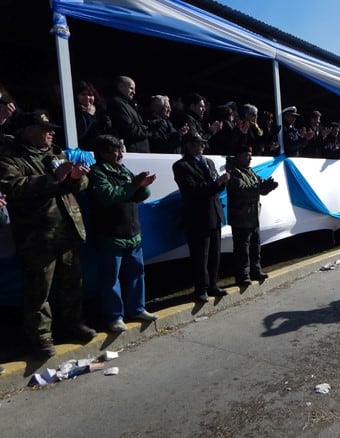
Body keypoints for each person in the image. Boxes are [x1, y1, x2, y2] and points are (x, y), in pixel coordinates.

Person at [0, 110, 97, 357]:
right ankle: (41, 337)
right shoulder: (11, 158)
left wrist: (76, 177)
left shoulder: (57, 154)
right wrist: (54, 177)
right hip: (37, 236)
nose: (51, 132)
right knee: (38, 290)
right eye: (45, 129)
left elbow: (81, 185)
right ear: (27, 131)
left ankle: (75, 324)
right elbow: (13, 187)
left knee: (72, 283)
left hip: (67, 230)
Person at [88, 135, 158, 332]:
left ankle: (137, 308)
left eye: (120, 149)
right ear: (103, 153)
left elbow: (140, 195)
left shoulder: (123, 170)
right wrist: (134, 185)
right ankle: (115, 317)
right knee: (111, 279)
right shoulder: (97, 172)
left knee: (137, 272)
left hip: (132, 232)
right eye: (115, 150)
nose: (120, 154)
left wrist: (143, 186)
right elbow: (108, 196)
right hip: (111, 234)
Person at [172, 132, 230, 302]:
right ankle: (201, 288)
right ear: (188, 146)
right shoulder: (181, 166)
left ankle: (213, 284)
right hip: (197, 215)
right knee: (200, 255)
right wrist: (216, 183)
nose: (202, 147)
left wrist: (222, 183)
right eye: (198, 144)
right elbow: (192, 190)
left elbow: (214, 188)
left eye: (203, 144)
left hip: (214, 212)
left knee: (214, 253)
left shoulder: (208, 162)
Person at [226, 145, 278, 286]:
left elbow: (259, 188)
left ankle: (255, 270)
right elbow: (241, 190)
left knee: (255, 245)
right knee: (242, 248)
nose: (250, 158)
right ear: (239, 156)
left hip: (253, 215)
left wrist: (267, 187)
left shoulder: (250, 171)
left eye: (250, 155)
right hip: (240, 217)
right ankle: (243, 275)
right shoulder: (233, 172)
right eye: (247, 155)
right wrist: (260, 188)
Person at [108, 75, 150, 153]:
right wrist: (148, 129)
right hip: (133, 153)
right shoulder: (117, 104)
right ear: (120, 87)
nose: (134, 92)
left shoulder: (127, 104)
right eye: (131, 88)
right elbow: (129, 130)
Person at [74, 80, 112, 150]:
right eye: (83, 94)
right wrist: (88, 114)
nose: (87, 97)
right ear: (76, 96)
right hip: (84, 152)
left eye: (90, 95)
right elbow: (78, 133)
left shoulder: (101, 112)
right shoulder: (73, 112)